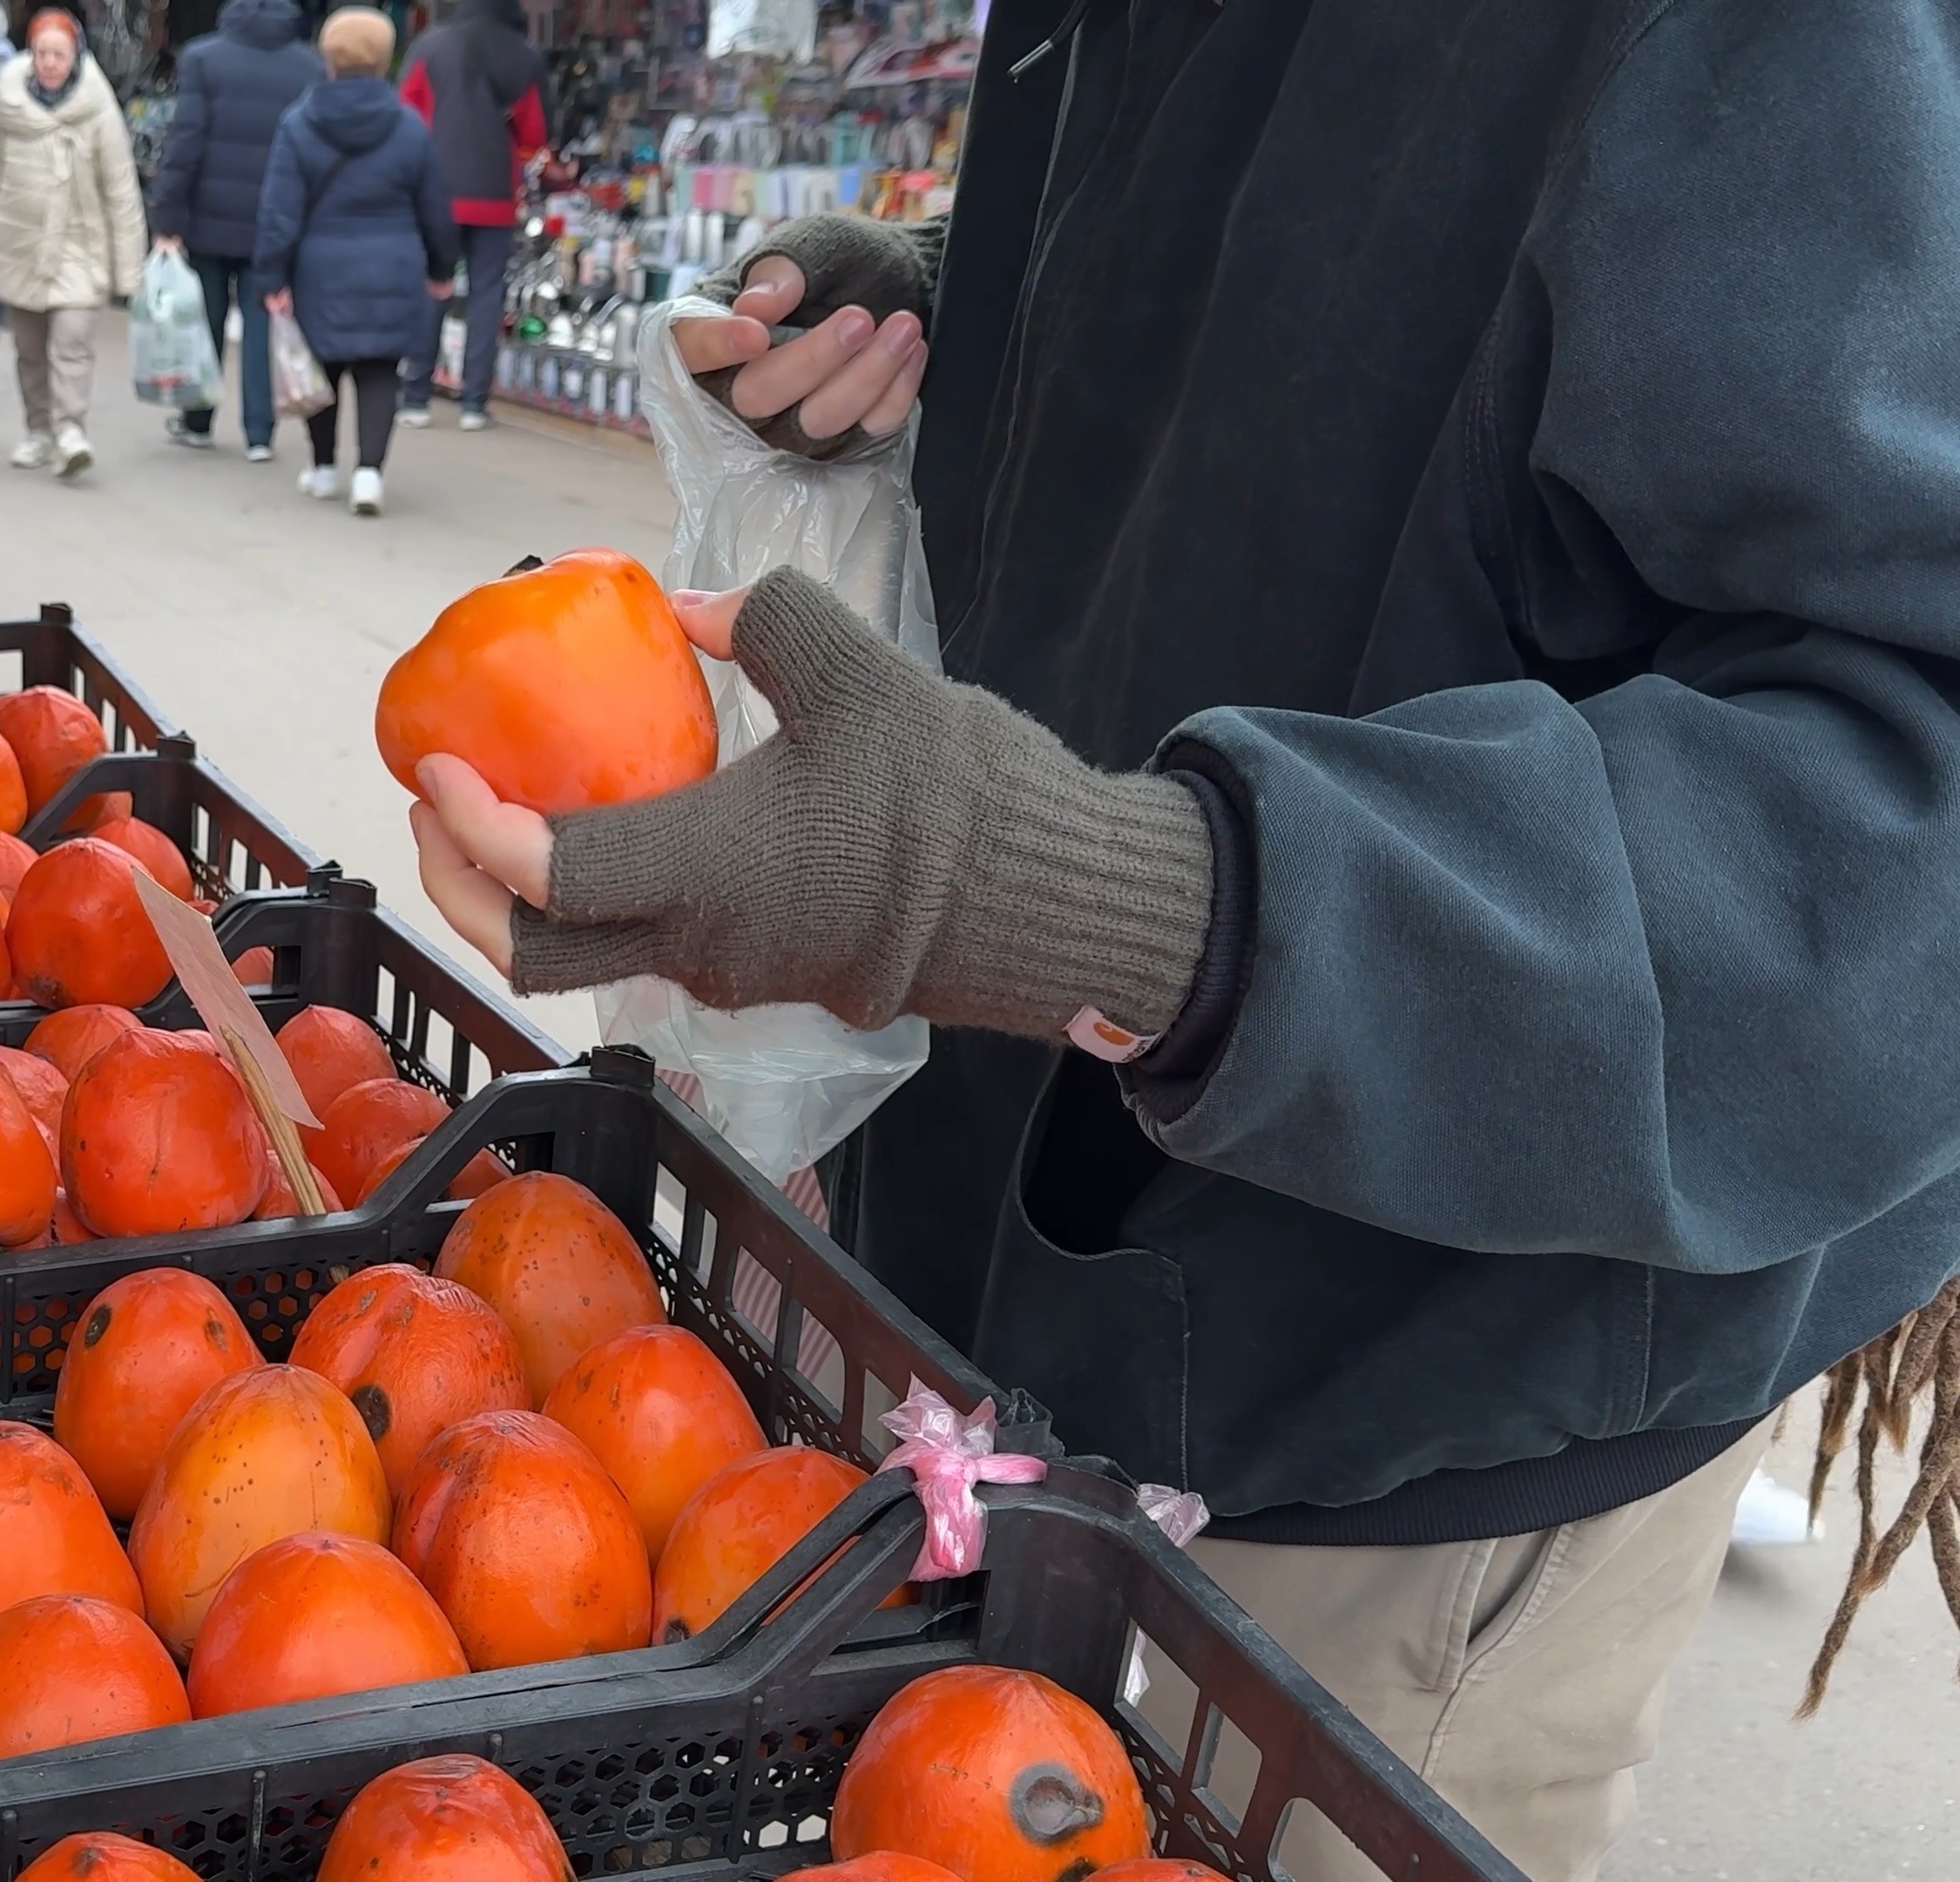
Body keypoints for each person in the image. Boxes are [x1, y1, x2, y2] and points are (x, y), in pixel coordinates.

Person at [402, 6, 1960, 1880]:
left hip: (1401, 1421)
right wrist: (973, 336)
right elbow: (1397, 317)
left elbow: (1900, 835)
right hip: (1011, 1304)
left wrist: (1128, 898)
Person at [253, 8, 451, 517]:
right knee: (380, 371)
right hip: (394, 265)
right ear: (385, 59)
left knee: (325, 368)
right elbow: (435, 207)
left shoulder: (299, 123)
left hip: (319, 269)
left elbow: (279, 210)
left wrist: (271, 275)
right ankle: (369, 475)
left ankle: (322, 468)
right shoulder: (409, 127)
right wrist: (441, 268)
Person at [0, 10, 141, 479]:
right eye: (42, 53)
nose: (49, 63)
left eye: (58, 54)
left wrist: (128, 269)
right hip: (19, 244)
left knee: (72, 342)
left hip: (80, 246)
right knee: (29, 350)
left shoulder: (96, 107)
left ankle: (70, 431)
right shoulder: (10, 103)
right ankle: (38, 431)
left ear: (76, 56)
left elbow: (121, 187)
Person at [147, 0, 321, 461]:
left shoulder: (203, 58)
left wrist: (166, 217)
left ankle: (199, 418)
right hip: (274, 220)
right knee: (265, 321)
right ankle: (259, 433)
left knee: (205, 320)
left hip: (208, 216)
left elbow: (185, 141)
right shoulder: (310, 66)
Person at [392, 0, 539, 430]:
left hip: (437, 189)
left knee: (434, 285)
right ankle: (474, 402)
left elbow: (407, 111)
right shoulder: (523, 54)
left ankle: (415, 396)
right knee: (487, 293)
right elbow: (534, 131)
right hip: (495, 190)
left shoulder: (431, 45)